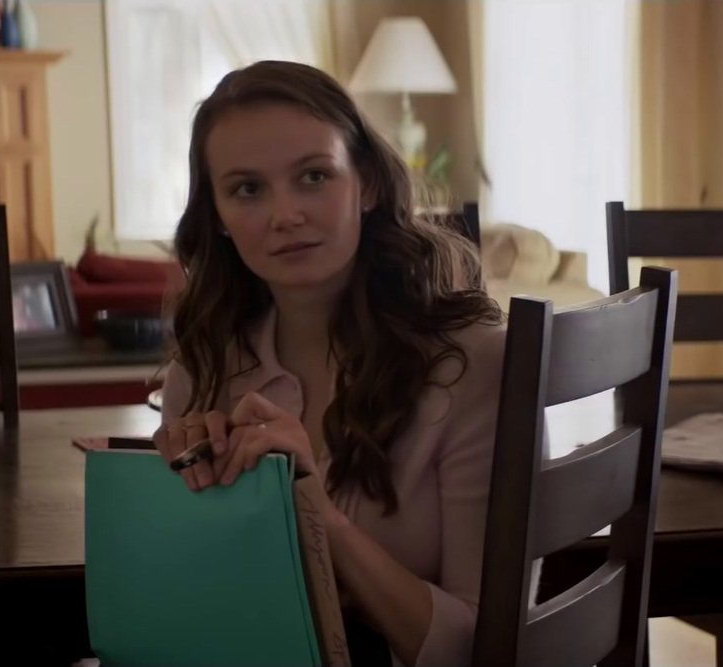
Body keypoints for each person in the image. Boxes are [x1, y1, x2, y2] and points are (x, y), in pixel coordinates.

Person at [155, 60, 506, 666]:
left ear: (367, 183)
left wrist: (315, 512)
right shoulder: (205, 361)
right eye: (247, 188)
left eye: (314, 176)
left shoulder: (471, 360)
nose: (284, 214)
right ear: (216, 215)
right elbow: (191, 608)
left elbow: (476, 647)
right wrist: (173, 501)